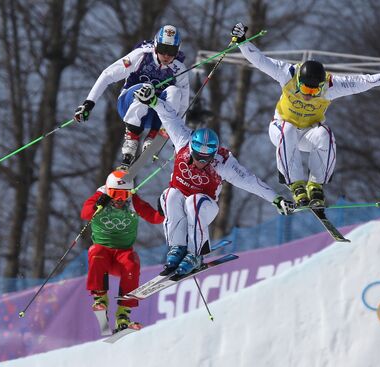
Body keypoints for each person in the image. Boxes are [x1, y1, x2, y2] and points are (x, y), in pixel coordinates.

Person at [229, 23, 380, 208]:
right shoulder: (287, 74)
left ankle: (315, 187)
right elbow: (260, 60)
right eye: (305, 88)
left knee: (325, 134)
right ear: (299, 81)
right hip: (280, 130)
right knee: (287, 128)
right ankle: (296, 185)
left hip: (306, 135)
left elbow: (366, 82)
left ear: (321, 85)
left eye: (314, 91)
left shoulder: (332, 86)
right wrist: (242, 41)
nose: (308, 94)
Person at [133, 83, 294, 276]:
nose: (202, 162)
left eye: (206, 158)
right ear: (192, 149)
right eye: (198, 157)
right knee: (170, 195)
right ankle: (177, 248)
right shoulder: (183, 140)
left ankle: (195, 254)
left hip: (204, 206)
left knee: (194, 201)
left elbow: (250, 181)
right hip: (179, 203)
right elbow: (169, 117)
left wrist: (276, 199)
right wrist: (153, 100)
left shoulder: (223, 162)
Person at [74, 25, 190, 169]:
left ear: (177, 50)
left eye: (171, 51)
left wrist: (179, 140)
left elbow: (183, 105)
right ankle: (132, 138)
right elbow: (108, 75)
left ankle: (155, 134)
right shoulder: (141, 56)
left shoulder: (179, 69)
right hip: (128, 105)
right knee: (146, 89)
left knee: (174, 92)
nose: (166, 55)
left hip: (153, 115)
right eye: (162, 49)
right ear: (155, 46)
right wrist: (89, 103)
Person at [80, 170, 165, 332]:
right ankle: (100, 297)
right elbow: (85, 213)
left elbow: (154, 218)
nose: (119, 199)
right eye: (115, 194)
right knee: (95, 252)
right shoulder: (101, 196)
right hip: (103, 252)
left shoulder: (133, 202)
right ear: (109, 190)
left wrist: (163, 211)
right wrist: (98, 204)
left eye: (124, 195)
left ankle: (123, 314)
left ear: (130, 193)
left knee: (132, 263)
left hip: (122, 253)